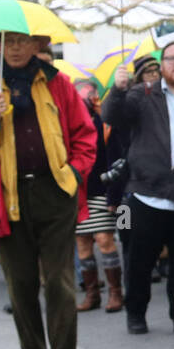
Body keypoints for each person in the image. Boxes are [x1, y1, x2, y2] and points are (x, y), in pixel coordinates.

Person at [0, 31, 97, 349]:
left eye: (22, 41)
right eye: (8, 42)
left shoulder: (59, 83)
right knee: (21, 284)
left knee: (61, 282)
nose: (15, 48)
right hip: (6, 195)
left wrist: (74, 174)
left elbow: (85, 134)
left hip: (55, 193)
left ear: (37, 46)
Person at [103, 39, 174, 338]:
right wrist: (117, 90)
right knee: (138, 262)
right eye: (171, 58)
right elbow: (112, 116)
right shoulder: (142, 94)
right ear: (161, 65)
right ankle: (136, 313)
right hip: (145, 195)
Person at [74, 80, 125, 315]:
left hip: (100, 190)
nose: (86, 99)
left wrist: (113, 194)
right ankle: (92, 293)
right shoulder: (66, 122)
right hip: (76, 191)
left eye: (89, 95)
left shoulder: (105, 123)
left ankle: (116, 292)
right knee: (82, 242)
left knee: (104, 240)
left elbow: (116, 159)